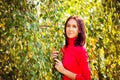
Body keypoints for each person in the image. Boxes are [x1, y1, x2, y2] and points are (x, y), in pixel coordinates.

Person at [52, 15, 91, 80]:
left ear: (79, 30)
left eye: (74, 26)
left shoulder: (81, 50)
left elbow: (86, 78)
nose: (70, 29)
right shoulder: (63, 48)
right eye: (68, 26)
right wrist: (53, 59)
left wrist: (63, 71)